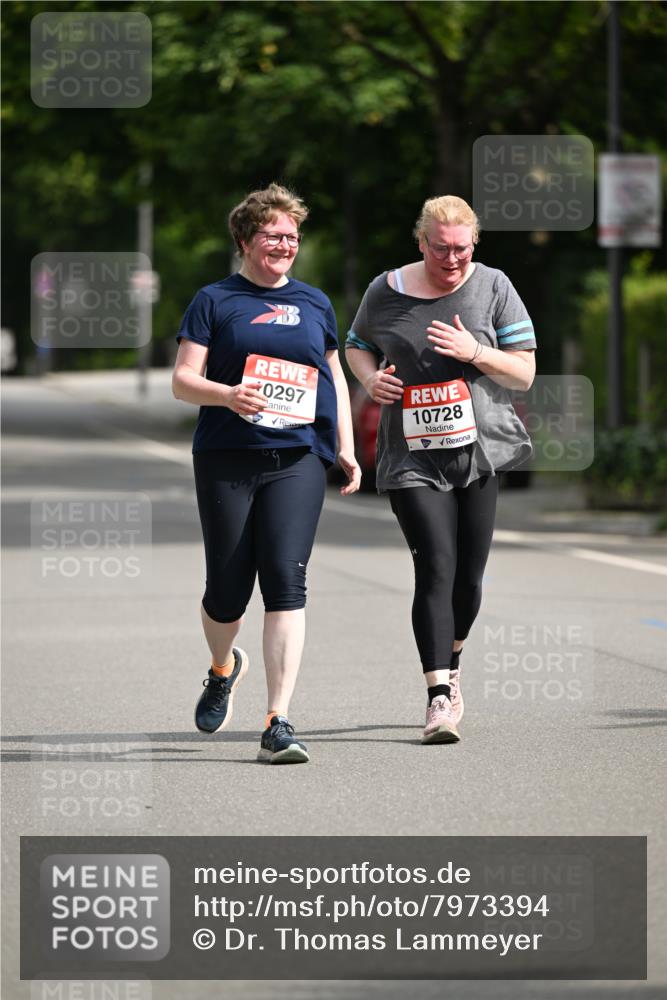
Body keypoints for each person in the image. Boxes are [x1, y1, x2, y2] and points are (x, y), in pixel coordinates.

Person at [173, 183, 360, 764]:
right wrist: (227, 395)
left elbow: (334, 376)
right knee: (227, 592)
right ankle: (222, 668)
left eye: (292, 236)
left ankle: (278, 721)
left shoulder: (314, 302)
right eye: (273, 235)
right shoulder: (214, 300)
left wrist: (346, 446)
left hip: (297, 459)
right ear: (245, 239)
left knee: (286, 580)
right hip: (226, 457)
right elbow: (183, 380)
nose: (285, 244)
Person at [345, 195, 536, 744]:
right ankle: (437, 698)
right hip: (410, 454)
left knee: (468, 579)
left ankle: (453, 663)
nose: (451, 259)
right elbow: (355, 345)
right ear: (421, 241)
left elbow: (523, 372)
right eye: (440, 248)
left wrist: (475, 350)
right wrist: (369, 379)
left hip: (478, 452)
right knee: (436, 565)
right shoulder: (386, 290)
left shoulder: (494, 286)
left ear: (474, 243)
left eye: (461, 248)